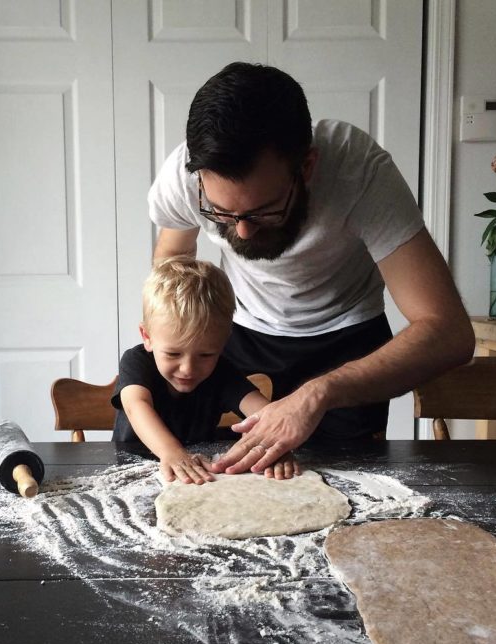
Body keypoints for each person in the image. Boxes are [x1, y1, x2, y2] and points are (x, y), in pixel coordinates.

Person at [148, 62, 475, 476]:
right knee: (230, 482)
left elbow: (449, 332)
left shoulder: (359, 172)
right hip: (240, 336)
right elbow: (172, 273)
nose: (244, 233)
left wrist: (320, 392)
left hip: (347, 341)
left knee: (347, 487)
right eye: (224, 214)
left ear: (306, 167)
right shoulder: (185, 175)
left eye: (263, 210)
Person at [111, 255, 300, 484]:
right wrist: (171, 453)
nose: (188, 368)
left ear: (223, 343)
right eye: (173, 354)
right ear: (147, 337)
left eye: (206, 355)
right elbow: (135, 406)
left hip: (197, 476)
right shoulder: (137, 361)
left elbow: (264, 413)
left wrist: (275, 446)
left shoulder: (222, 371)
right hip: (130, 476)